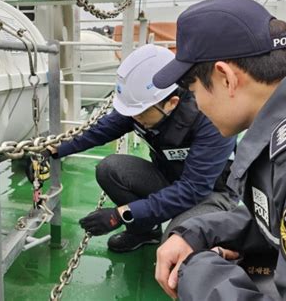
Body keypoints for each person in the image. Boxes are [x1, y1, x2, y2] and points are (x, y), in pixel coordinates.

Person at [152, 0, 286, 300]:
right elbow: (283, 222)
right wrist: (196, 233)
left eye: (193, 89)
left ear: (226, 77)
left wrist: (196, 270)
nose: (196, 104)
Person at [34, 44, 238, 253]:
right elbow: (100, 130)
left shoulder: (210, 120)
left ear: (171, 103)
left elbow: (193, 189)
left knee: (174, 246)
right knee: (110, 169)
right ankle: (145, 231)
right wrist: (53, 150)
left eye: (139, 113)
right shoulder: (143, 108)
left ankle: (211, 238)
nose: (134, 118)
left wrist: (122, 214)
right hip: (170, 177)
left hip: (210, 193)